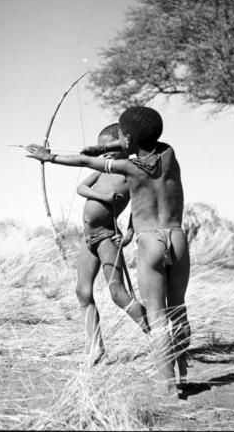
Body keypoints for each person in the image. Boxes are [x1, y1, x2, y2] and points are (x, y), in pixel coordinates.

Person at [26, 106, 191, 399]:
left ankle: (167, 386)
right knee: (177, 308)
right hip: (176, 238)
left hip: (149, 242)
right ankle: (182, 370)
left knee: (156, 315)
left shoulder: (128, 168)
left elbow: (82, 160)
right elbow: (141, 141)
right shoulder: (169, 155)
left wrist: (48, 157)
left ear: (126, 140)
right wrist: (110, 145)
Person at [74, 123, 149, 365]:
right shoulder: (102, 169)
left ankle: (158, 336)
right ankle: (96, 349)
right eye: (102, 150)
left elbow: (138, 209)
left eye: (109, 148)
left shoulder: (130, 173)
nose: (104, 153)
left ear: (124, 146)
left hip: (108, 237)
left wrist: (127, 235)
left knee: (118, 294)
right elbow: (81, 187)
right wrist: (103, 196)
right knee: (82, 292)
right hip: (89, 239)